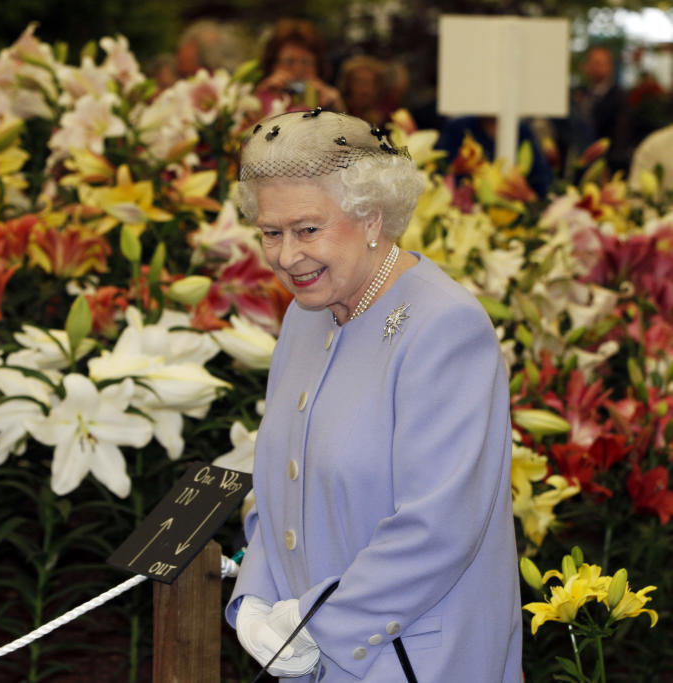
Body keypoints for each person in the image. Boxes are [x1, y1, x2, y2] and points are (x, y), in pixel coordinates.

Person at [226, 110, 522, 681]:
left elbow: (439, 525)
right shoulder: (304, 317)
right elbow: (277, 481)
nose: (287, 257)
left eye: (308, 229)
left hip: (418, 661)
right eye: (270, 232)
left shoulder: (444, 326)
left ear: (371, 218)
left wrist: (319, 623)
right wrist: (259, 594)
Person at [256, 19, 344, 114]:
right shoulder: (258, 96)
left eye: (306, 62)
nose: (298, 69)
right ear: (272, 65)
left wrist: (336, 106)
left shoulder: (325, 99)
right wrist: (259, 98)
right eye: (289, 62)